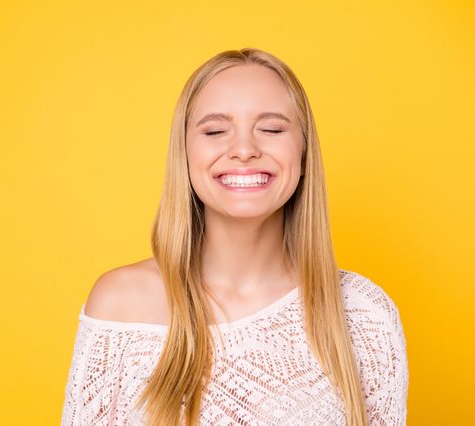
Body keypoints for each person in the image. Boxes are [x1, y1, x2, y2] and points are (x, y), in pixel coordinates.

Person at [60, 48, 409, 426]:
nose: (244, 150)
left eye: (272, 129)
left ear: (305, 154)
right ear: (185, 153)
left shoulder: (363, 315)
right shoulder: (120, 305)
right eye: (214, 131)